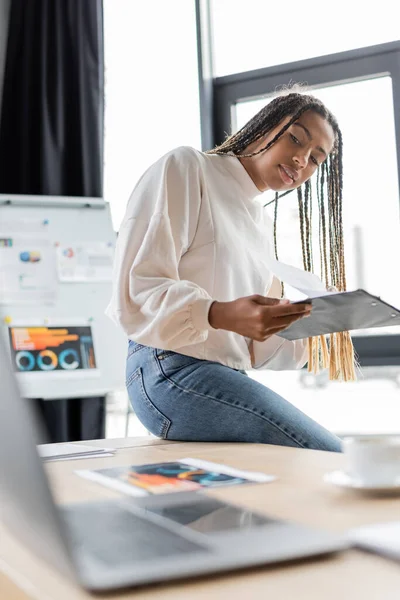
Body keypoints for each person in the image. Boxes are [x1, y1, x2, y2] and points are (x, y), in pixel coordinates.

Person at [106, 89, 353, 452]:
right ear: (265, 126)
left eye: (316, 159)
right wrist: (219, 313)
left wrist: (315, 322)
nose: (301, 160)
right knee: (330, 456)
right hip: (169, 370)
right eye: (295, 138)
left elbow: (259, 351)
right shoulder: (188, 168)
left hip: (224, 374)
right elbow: (136, 287)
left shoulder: (258, 221)